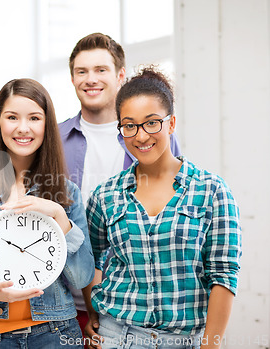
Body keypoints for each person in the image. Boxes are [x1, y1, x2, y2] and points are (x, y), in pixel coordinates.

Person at [84, 67, 242, 349]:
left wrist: (211, 344)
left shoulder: (212, 191)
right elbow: (90, 258)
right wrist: (93, 312)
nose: (141, 136)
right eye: (129, 125)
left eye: (152, 122)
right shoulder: (106, 194)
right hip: (115, 336)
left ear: (171, 124)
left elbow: (224, 275)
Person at [0, 78, 95, 348]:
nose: (23, 128)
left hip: (56, 333)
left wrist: (58, 215)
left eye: (34, 118)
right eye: (12, 117)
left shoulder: (66, 192)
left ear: (47, 124)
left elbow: (82, 277)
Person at [58, 32, 182, 334]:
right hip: (62, 302)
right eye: (81, 71)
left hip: (131, 302)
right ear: (72, 78)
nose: (91, 79)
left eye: (101, 70)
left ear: (120, 75)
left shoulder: (153, 138)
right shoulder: (54, 139)